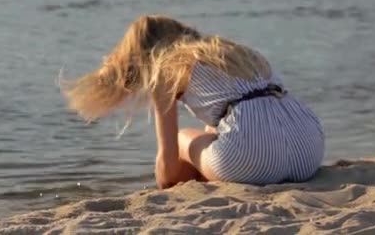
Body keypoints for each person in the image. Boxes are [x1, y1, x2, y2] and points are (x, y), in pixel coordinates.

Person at [61, 15, 325, 189]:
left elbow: (167, 173)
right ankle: (221, 169)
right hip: (308, 147)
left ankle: (221, 171)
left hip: (252, 159)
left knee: (180, 140)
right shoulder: (236, 52)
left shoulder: (167, 67)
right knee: (216, 129)